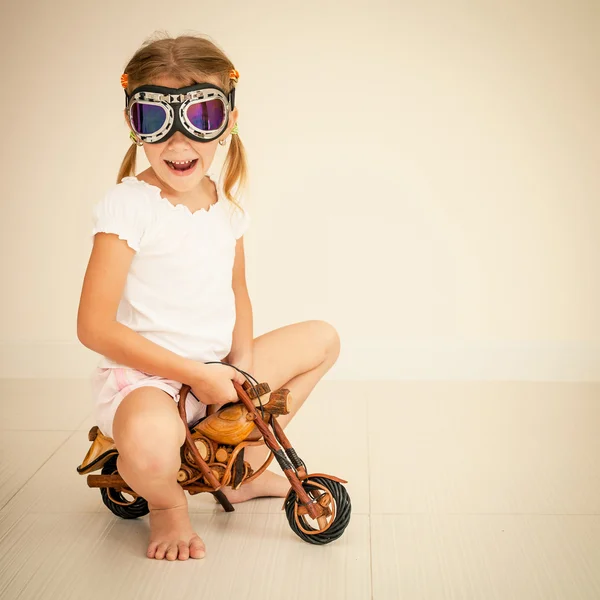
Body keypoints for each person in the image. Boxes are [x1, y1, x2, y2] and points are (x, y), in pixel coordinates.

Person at [77, 32, 341, 562]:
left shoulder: (226, 207)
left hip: (215, 373)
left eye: (200, 118)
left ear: (229, 119)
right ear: (134, 124)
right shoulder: (129, 206)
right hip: (149, 382)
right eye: (156, 121)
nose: (178, 144)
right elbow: (94, 328)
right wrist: (194, 375)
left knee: (322, 340)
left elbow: (236, 291)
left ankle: (238, 472)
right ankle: (168, 506)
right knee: (152, 442)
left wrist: (239, 368)